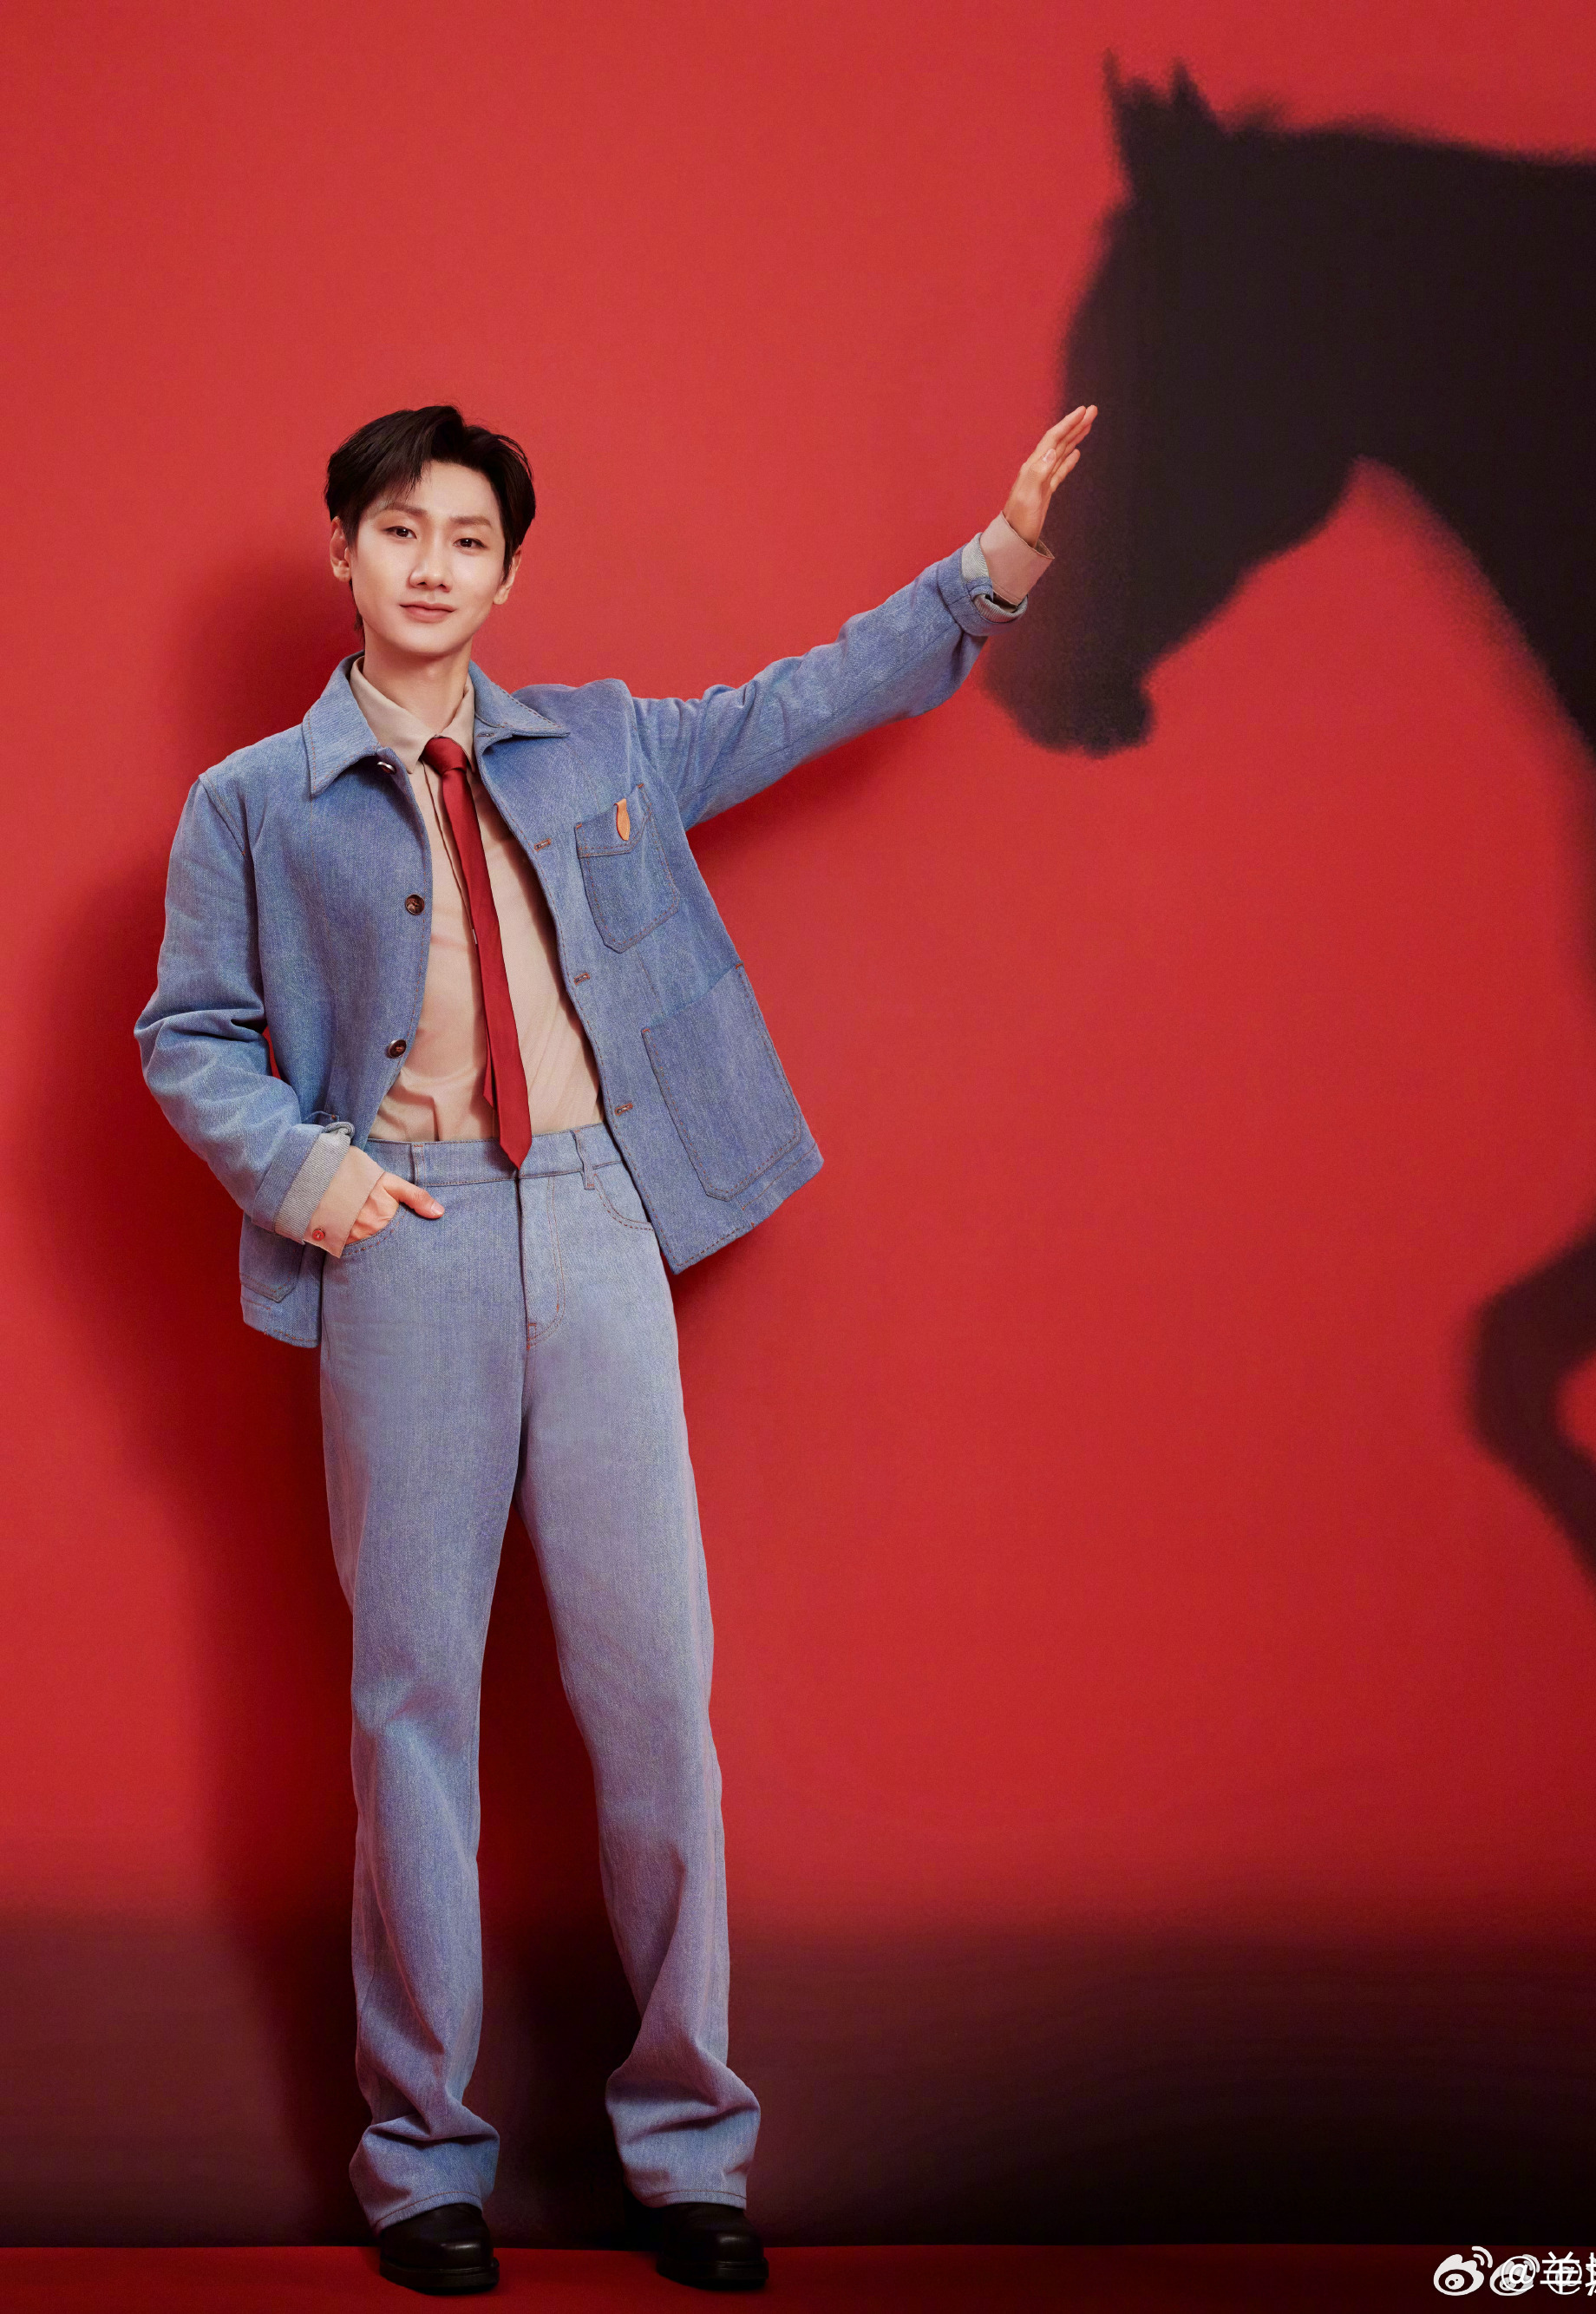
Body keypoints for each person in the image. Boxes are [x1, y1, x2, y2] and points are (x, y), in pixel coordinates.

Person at [135, 397, 1095, 2295]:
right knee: (412, 1704)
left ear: (508, 572)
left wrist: (990, 569)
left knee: (655, 1697)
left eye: (468, 539)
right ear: (342, 552)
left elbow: (805, 700)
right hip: (401, 1239)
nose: (431, 565)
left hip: (596, 1224)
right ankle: (421, 2159)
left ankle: (687, 2149)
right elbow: (189, 1033)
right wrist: (314, 1176)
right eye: (399, 529)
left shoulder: (603, 745)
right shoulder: (250, 800)